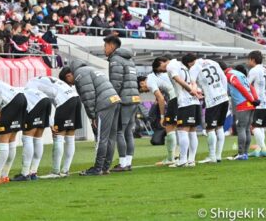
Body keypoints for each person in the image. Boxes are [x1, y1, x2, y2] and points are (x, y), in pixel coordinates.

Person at [59, 60, 121, 176]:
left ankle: (97, 168)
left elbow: (88, 97)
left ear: (68, 75)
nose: (71, 85)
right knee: (111, 137)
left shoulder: (79, 74)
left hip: (104, 104)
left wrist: (92, 117)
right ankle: (105, 167)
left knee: (101, 138)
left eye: (69, 83)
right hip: (115, 100)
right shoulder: (90, 69)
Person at [26, 76, 82, 178]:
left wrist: (51, 123)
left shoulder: (29, 87)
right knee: (70, 137)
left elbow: (45, 103)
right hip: (76, 98)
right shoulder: (43, 80)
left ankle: (55, 172)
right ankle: (65, 170)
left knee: (58, 136)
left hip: (65, 101)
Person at [103, 35, 141, 171]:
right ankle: (128, 162)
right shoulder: (129, 60)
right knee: (128, 132)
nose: (104, 49)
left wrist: (112, 99)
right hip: (134, 99)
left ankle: (123, 163)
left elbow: (116, 82)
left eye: (105, 46)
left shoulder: (115, 60)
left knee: (119, 131)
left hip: (124, 100)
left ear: (112, 46)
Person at [159, 55, 202, 167]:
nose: (162, 69)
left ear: (163, 61)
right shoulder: (185, 67)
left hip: (185, 102)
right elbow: (193, 82)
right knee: (192, 131)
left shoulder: (172, 65)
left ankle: (182, 160)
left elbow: (177, 79)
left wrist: (190, 90)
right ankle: (191, 160)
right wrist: (195, 91)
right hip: (195, 102)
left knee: (182, 130)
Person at [186, 55, 229, 163]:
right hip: (224, 97)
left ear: (189, 63)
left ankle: (212, 156)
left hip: (213, 100)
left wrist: (197, 92)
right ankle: (218, 155)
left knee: (210, 128)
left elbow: (192, 83)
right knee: (219, 127)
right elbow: (224, 78)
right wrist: (224, 92)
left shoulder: (194, 67)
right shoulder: (213, 62)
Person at [138, 56, 178, 166]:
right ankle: (184, 157)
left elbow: (161, 98)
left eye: (142, 90)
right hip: (184, 97)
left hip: (175, 98)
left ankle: (171, 158)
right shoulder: (165, 72)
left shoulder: (150, 80)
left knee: (170, 127)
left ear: (142, 83)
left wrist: (162, 116)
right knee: (183, 129)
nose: (145, 92)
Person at [219, 61, 259, 161]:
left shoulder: (229, 75)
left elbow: (239, 86)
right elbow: (251, 87)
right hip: (251, 104)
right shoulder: (240, 73)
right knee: (246, 128)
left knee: (241, 128)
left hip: (243, 103)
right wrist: (255, 99)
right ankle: (245, 153)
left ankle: (241, 154)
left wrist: (251, 99)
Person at [11, 88, 51, 181]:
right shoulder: (18, 89)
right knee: (38, 138)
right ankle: (33, 172)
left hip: (34, 103)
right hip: (46, 100)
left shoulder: (10, 95)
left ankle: (25, 173)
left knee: (27, 137)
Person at [247, 50, 266, 158]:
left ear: (253, 60)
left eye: (248, 59)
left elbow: (246, 84)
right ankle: (258, 150)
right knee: (261, 127)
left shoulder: (254, 70)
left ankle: (263, 149)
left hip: (259, 102)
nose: (248, 62)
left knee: (255, 127)